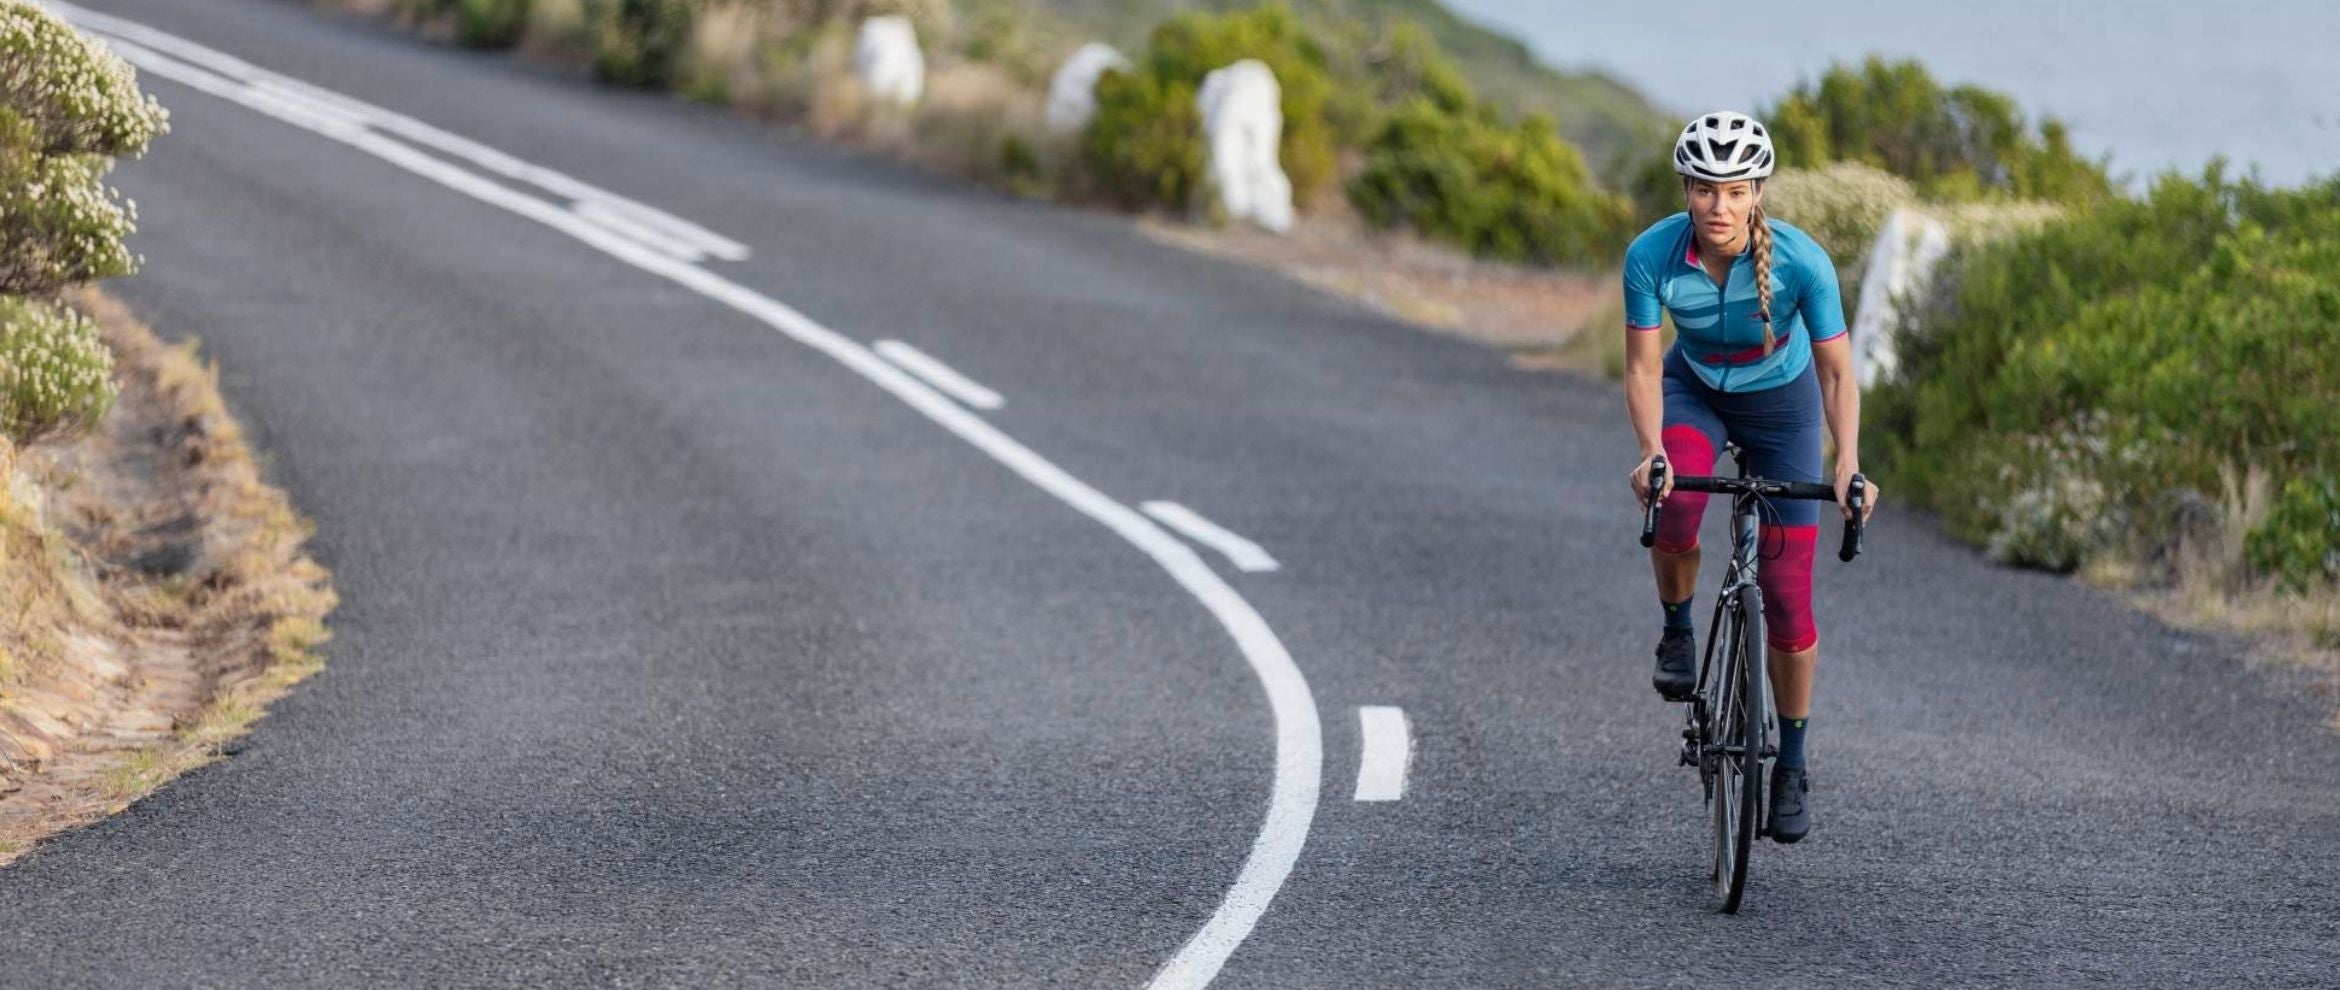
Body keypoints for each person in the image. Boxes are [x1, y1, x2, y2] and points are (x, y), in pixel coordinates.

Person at [1621, 111, 1880, 843]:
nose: (1719, 206)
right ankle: (1676, 630)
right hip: (1693, 393)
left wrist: (1849, 462)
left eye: (1735, 190)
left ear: (1758, 191)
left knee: (1790, 594)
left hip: (1784, 409)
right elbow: (1643, 365)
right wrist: (1651, 451)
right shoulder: (1652, 255)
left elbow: (1836, 374)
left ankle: (1791, 763)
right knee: (1674, 505)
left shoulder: (1803, 262)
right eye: (1705, 189)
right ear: (1686, 190)